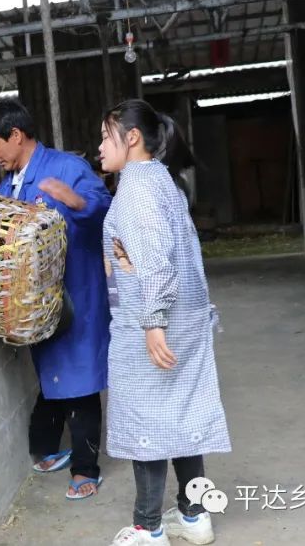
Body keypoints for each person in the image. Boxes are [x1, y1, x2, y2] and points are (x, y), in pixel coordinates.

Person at [97, 99, 230, 546]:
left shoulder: (136, 188)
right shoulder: (164, 182)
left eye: (105, 136)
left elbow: (155, 261)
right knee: (182, 414)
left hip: (153, 321)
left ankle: (148, 527)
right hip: (186, 316)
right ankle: (193, 516)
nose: (99, 147)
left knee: (147, 422)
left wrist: (152, 321)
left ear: (131, 137)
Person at [0, 100, 112, 501]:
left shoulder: (67, 169)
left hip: (77, 295)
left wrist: (75, 203)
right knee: (53, 371)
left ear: (16, 136)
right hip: (36, 303)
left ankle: (86, 470)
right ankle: (49, 450)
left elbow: (101, 204)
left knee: (82, 380)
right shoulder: (8, 186)